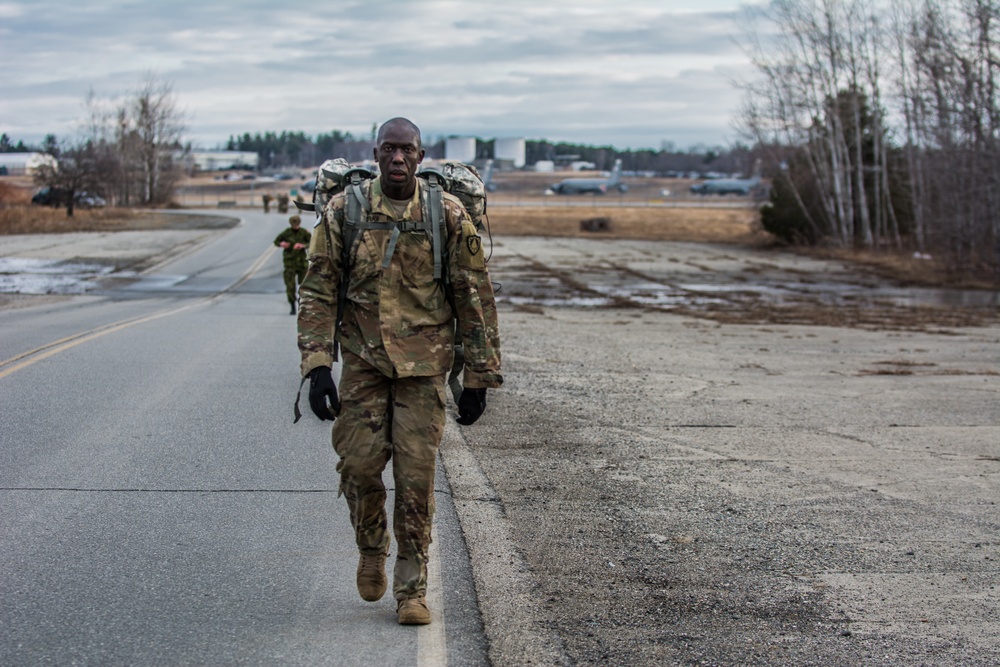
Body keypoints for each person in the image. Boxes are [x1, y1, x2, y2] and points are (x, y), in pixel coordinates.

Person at [296, 117, 502, 625]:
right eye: (388, 149)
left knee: (416, 479)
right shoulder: (346, 211)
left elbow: (473, 296)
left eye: (406, 150)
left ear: (420, 156)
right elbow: (319, 289)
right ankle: (371, 549)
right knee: (360, 466)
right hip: (364, 364)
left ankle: (413, 590)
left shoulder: (447, 213)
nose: (397, 158)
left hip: (424, 369)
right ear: (375, 153)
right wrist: (318, 365)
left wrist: (479, 376)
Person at [274, 214, 311, 314]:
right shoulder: (286, 233)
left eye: (296, 224)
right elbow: (276, 241)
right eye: (293, 224)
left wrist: (303, 246)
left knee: (304, 286)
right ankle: (292, 306)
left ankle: (303, 306)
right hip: (289, 264)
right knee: (290, 286)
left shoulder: (304, 233)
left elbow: (312, 243)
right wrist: (282, 244)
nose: (295, 226)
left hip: (301, 264)